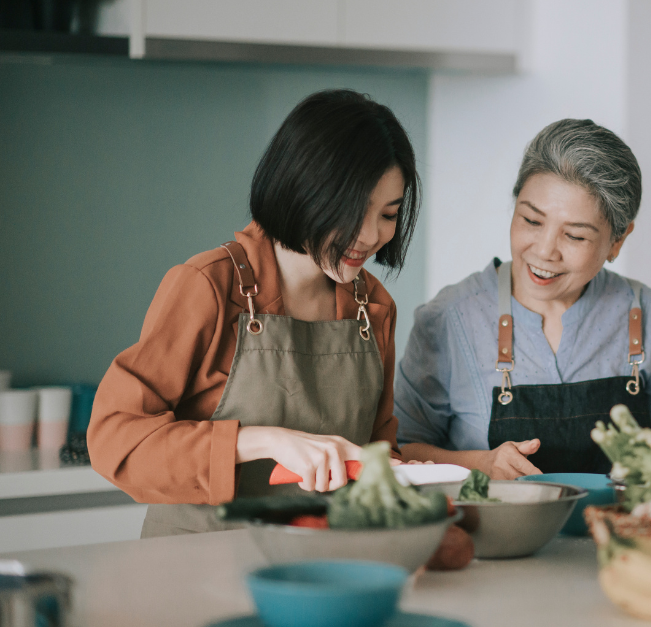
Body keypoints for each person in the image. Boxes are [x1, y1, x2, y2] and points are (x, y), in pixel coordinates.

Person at [88, 89, 421, 536]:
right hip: (195, 571)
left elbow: (378, 453)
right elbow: (115, 439)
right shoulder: (207, 285)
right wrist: (259, 440)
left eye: (388, 214)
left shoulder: (373, 307)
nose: (370, 234)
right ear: (304, 188)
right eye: (354, 209)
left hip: (318, 569)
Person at [394, 119, 651, 479]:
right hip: (496, 533)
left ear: (618, 241)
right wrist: (480, 464)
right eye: (531, 220)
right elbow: (402, 449)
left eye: (574, 236)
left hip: (622, 532)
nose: (545, 251)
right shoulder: (449, 317)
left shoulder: (649, 312)